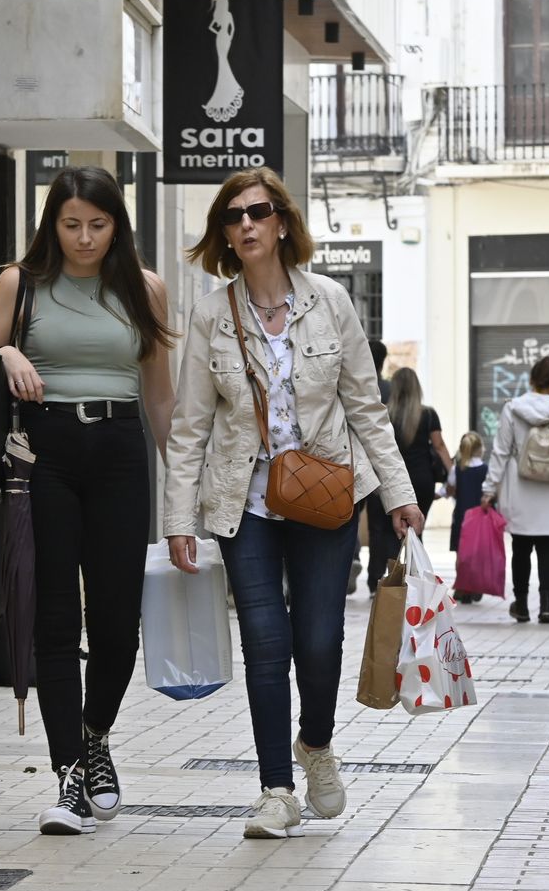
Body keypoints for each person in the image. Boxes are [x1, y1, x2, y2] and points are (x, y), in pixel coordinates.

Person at [164, 166, 421, 841]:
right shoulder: (212, 313)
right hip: (243, 502)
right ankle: (276, 789)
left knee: (319, 639)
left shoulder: (330, 302)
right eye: (232, 217)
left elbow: (368, 410)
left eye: (256, 212)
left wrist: (399, 494)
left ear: (281, 222)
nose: (244, 225)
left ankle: (316, 743)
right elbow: (190, 424)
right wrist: (178, 517)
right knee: (265, 641)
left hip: (326, 494)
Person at [0, 166, 175, 836]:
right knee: (54, 620)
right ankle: (69, 776)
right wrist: (3, 357)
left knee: (116, 623)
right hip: (43, 453)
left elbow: (161, 398)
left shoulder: (146, 290)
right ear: (52, 223)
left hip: (119, 451)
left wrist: (188, 494)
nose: (84, 238)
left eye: (98, 225)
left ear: (119, 225)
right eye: (71, 224)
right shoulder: (17, 283)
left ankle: (95, 737)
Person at [481, 355, 549, 625]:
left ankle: (522, 605)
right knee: (548, 548)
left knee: (521, 548)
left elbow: (500, 453)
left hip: (519, 488)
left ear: (531, 380)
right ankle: (547, 606)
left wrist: (489, 489)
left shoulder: (512, 409)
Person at [365, 366, 451, 591]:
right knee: (414, 530)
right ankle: (414, 580)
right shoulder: (428, 414)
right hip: (421, 480)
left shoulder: (384, 414)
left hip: (388, 478)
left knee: (382, 531)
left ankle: (381, 580)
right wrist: (453, 474)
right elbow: (439, 446)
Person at [348, 340, 394, 595]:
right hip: (379, 463)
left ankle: (352, 557)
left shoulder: (355, 385)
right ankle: (376, 577)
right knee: (379, 525)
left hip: (352, 460)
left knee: (349, 514)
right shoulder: (389, 389)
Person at [448, 432, 487, 604]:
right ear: (480, 449)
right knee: (478, 554)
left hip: (461, 517)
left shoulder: (456, 469)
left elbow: (448, 489)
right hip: (480, 518)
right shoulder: (486, 469)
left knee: (461, 555)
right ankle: (476, 586)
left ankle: (462, 587)